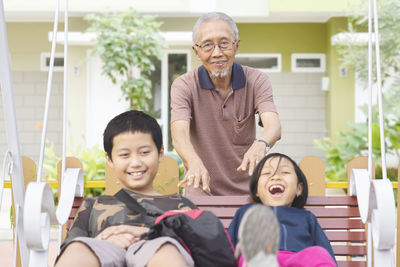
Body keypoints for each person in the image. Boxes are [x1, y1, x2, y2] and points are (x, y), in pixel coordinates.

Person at [55, 110, 197, 267]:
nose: (135, 162)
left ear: (160, 153)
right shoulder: (93, 205)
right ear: (110, 159)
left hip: (158, 252)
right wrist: (103, 240)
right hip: (106, 251)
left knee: (166, 249)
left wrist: (145, 236)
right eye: (124, 155)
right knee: (77, 249)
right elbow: (68, 247)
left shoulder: (181, 205)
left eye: (144, 152)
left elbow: (198, 249)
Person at [170, 12, 281, 196]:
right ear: (196, 51)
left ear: (236, 46)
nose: (217, 53)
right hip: (202, 187)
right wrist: (193, 161)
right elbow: (179, 134)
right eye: (207, 45)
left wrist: (262, 143)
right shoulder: (184, 85)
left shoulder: (256, 80)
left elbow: (274, 126)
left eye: (224, 43)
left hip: (248, 192)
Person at [228, 153, 337, 267]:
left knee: (318, 253)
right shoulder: (246, 212)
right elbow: (228, 248)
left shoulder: (306, 217)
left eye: (285, 172)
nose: (275, 177)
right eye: (266, 173)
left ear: (299, 189)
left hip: (296, 260)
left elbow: (326, 253)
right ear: (256, 191)